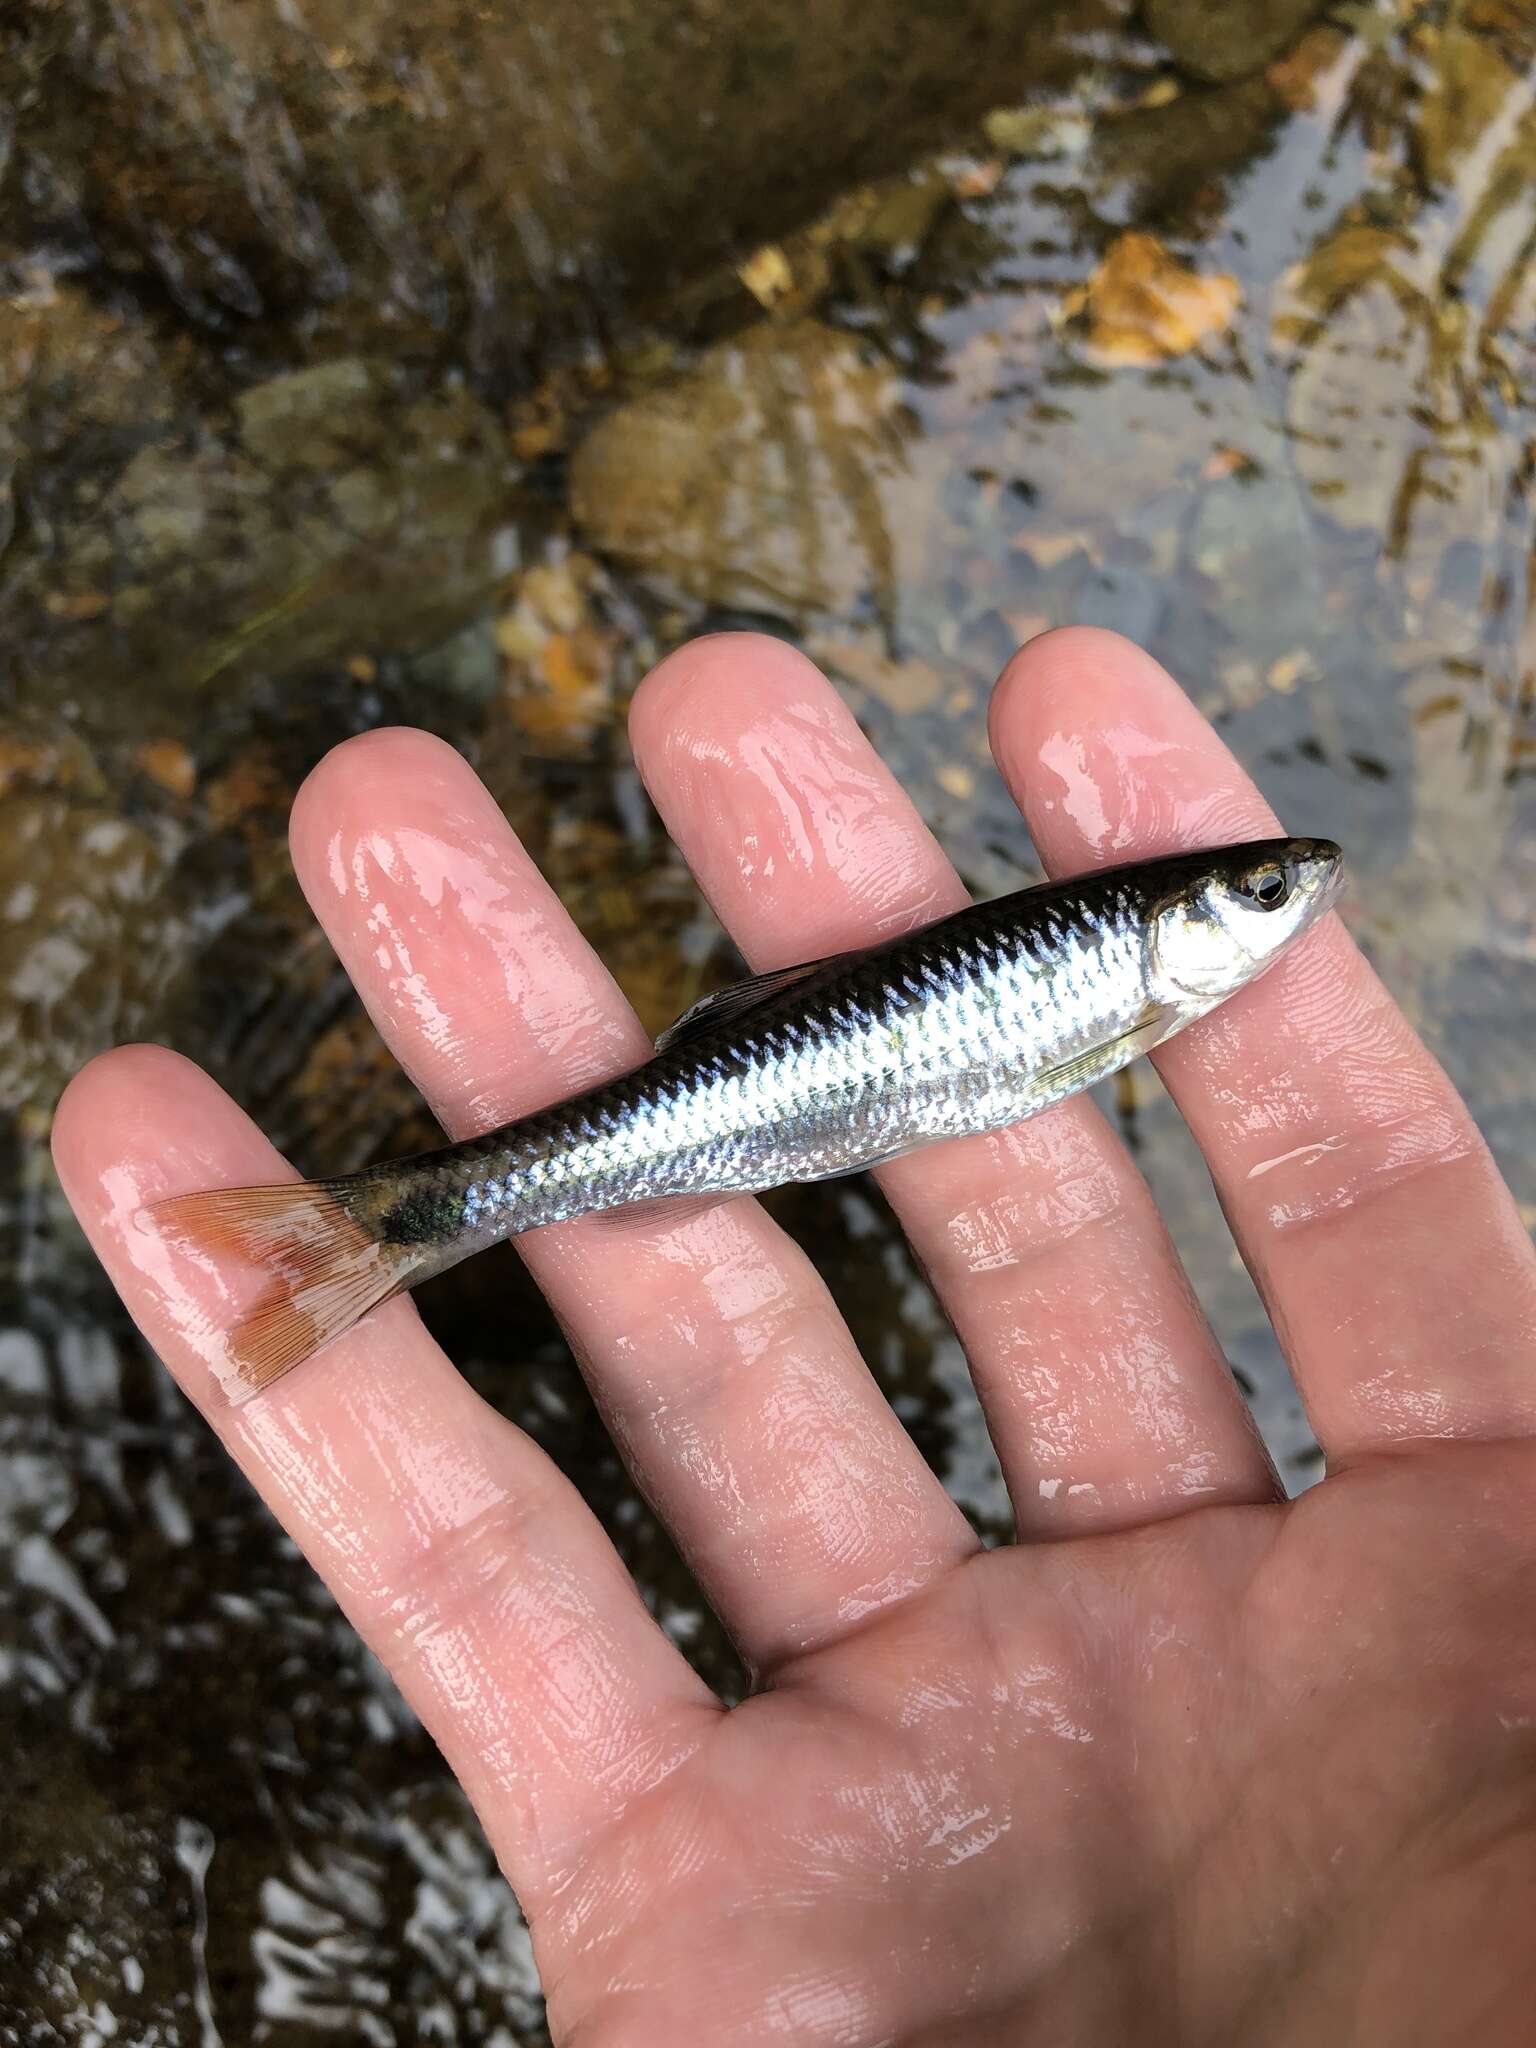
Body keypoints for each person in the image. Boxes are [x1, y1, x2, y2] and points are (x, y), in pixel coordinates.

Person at [55, 629, 1536, 2043]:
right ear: (1185, 926)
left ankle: (383, 1227)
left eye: (1268, 889)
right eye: (1265, 893)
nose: (1298, 895)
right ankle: (384, 1225)